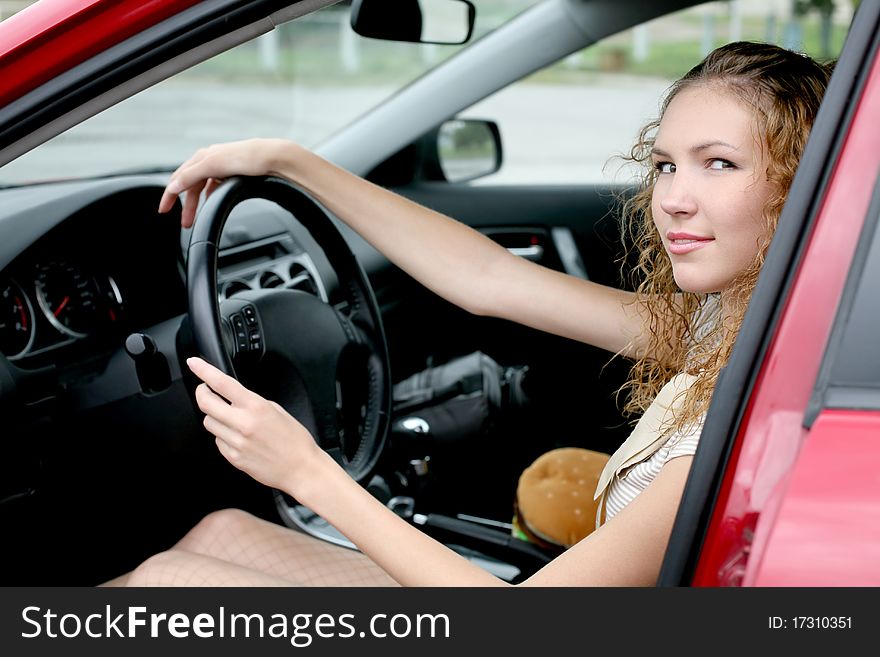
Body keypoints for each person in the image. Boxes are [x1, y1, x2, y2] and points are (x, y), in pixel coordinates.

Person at [105, 41, 832, 587]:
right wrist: (294, 163)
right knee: (220, 530)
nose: (672, 197)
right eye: (667, 164)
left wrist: (307, 470)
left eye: (719, 164)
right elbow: (489, 278)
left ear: (803, 188)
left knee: (169, 583)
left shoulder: (748, 413)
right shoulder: (733, 330)